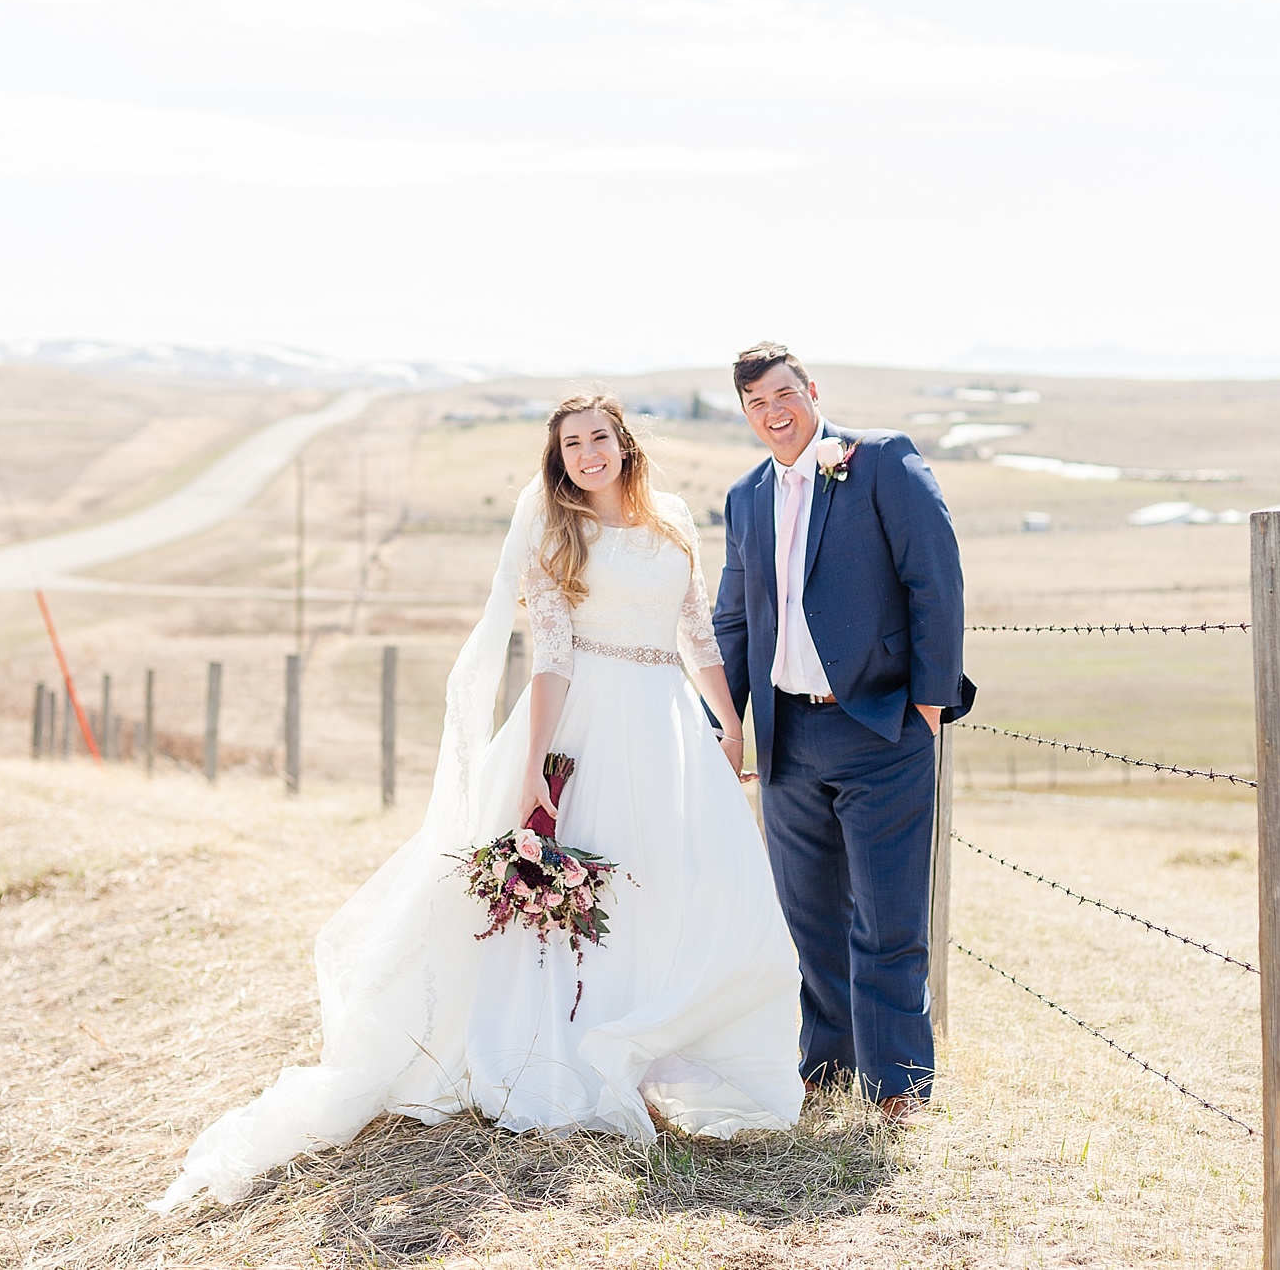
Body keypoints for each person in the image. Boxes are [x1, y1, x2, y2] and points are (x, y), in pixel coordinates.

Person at [148, 392, 803, 1214]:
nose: (589, 453)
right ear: (558, 459)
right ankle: (571, 1050)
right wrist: (534, 765)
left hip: (666, 718)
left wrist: (728, 720)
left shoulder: (672, 517)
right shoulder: (555, 534)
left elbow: (695, 629)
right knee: (585, 893)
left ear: (624, 443)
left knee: (671, 880)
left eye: (600, 437)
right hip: (587, 720)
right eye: (572, 444)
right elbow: (553, 657)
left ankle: (654, 1046)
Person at [712, 342, 973, 1120]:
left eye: (783, 393)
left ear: (810, 390)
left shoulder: (880, 461)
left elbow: (936, 576)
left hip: (880, 726)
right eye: (756, 403)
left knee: (888, 915)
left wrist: (927, 702)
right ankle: (826, 1068)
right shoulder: (745, 497)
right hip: (788, 739)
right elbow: (732, 617)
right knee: (811, 917)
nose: (773, 412)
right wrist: (724, 726)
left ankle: (898, 1085)